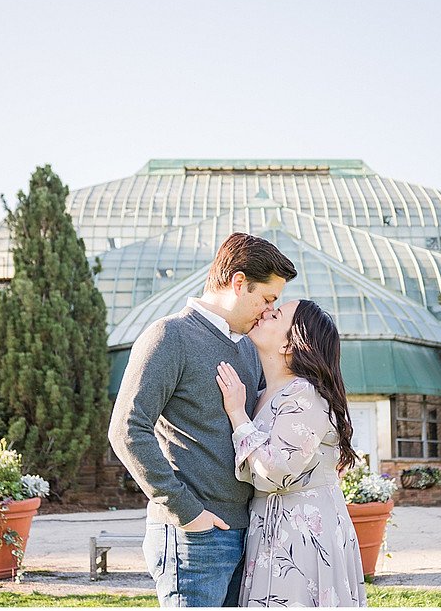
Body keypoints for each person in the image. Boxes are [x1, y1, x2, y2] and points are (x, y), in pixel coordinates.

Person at [108, 232, 298, 607]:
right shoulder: (169, 336)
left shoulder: (245, 346)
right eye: (267, 299)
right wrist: (186, 512)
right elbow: (127, 429)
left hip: (245, 531)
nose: (268, 311)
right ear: (238, 283)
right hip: (194, 538)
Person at [216, 299, 367, 607]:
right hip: (273, 530)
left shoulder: (304, 393)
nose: (265, 313)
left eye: (276, 315)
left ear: (291, 344)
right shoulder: (262, 395)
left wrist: (236, 414)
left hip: (303, 536)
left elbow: (276, 471)